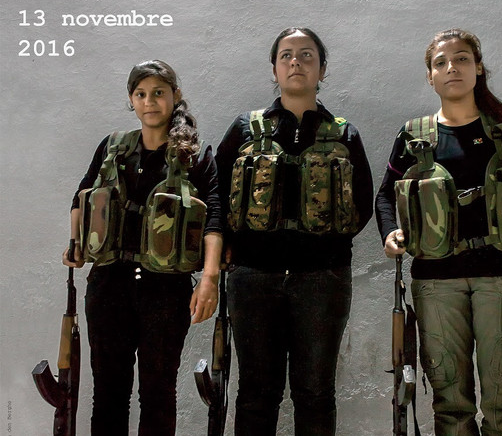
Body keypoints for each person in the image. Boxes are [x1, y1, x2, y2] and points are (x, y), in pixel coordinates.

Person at [375, 28, 502, 435]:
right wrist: (390, 234)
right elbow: (385, 197)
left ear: (478, 67)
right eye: (440, 63)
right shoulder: (414, 136)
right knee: (450, 407)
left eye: (461, 59)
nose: (451, 68)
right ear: (430, 76)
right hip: (436, 283)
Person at [216, 27, 373, 435]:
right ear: (274, 68)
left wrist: (320, 244)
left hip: (323, 279)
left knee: (316, 393)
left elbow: (364, 202)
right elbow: (214, 196)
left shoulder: (343, 133)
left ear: (322, 68)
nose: (296, 62)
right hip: (252, 278)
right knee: (255, 393)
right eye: (286, 55)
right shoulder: (246, 128)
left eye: (306, 55)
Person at [62, 59, 223, 435]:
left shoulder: (194, 156)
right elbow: (81, 197)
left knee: (158, 392)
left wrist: (209, 278)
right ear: (131, 101)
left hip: (165, 291)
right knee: (108, 392)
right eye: (141, 94)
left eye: (158, 93)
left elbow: (215, 219)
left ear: (175, 96)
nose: (150, 101)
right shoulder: (113, 147)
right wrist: (76, 245)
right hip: (108, 285)